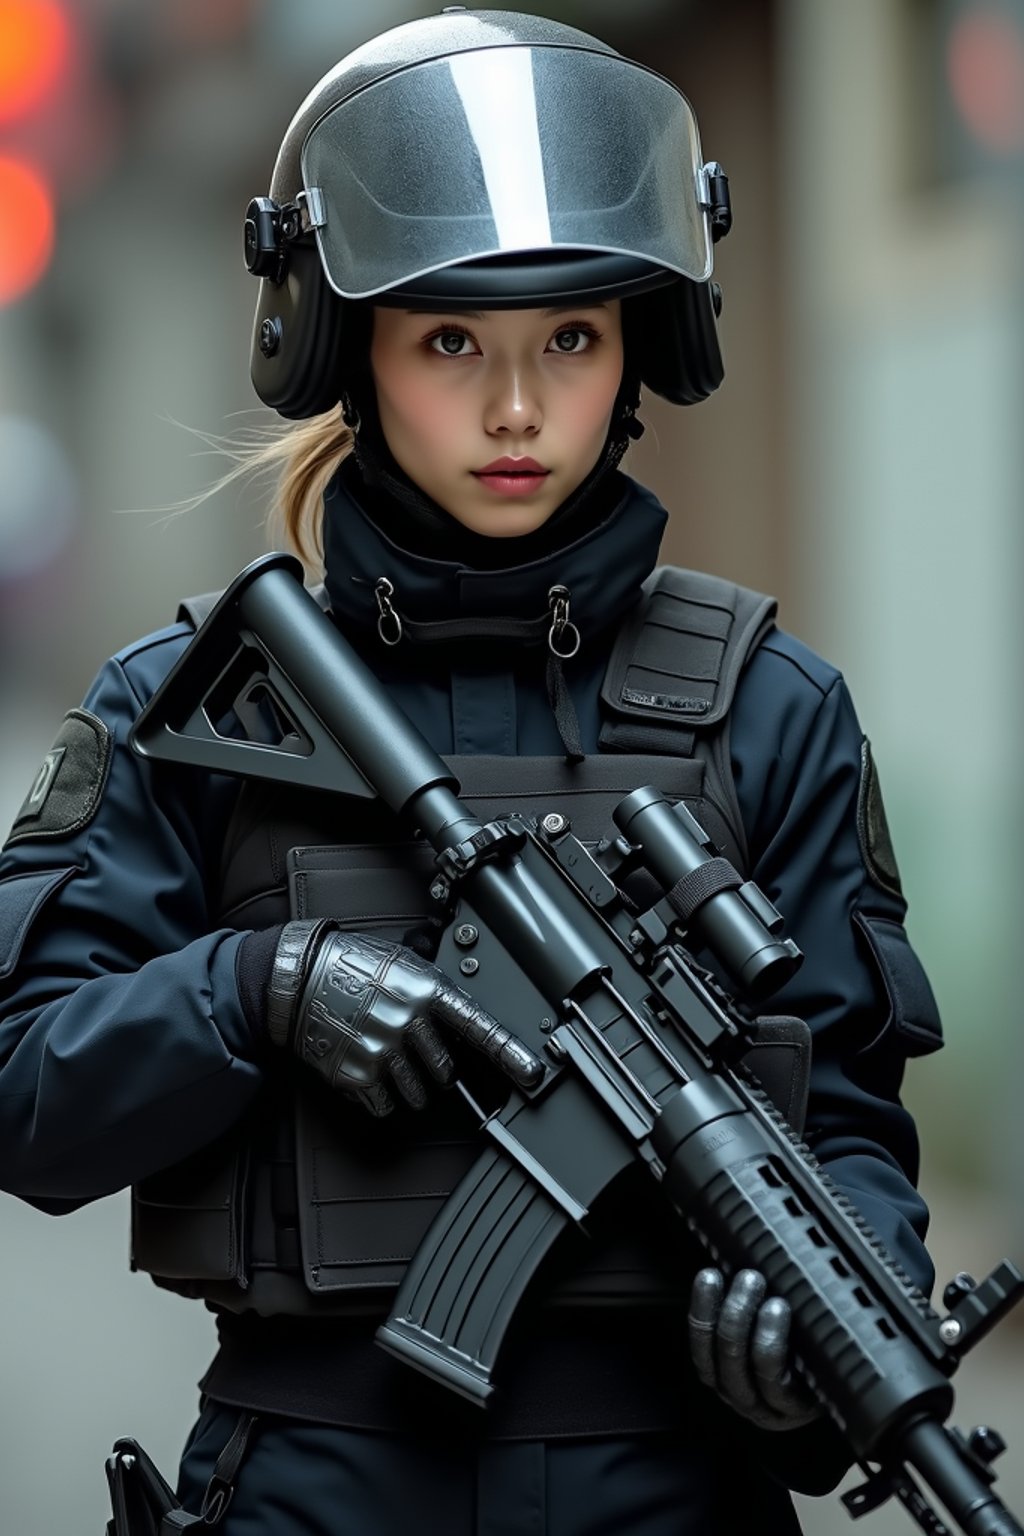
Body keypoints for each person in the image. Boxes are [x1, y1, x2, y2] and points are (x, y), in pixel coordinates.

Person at [0, 10, 943, 1534]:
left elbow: (846, 1125)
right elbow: (23, 1090)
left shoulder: (772, 710)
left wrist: (836, 1326)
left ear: (643, 342)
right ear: (343, 348)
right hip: (315, 1484)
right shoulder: (193, 705)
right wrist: (257, 988)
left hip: (675, 1488)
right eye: (452, 342)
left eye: (570, 338)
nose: (517, 409)